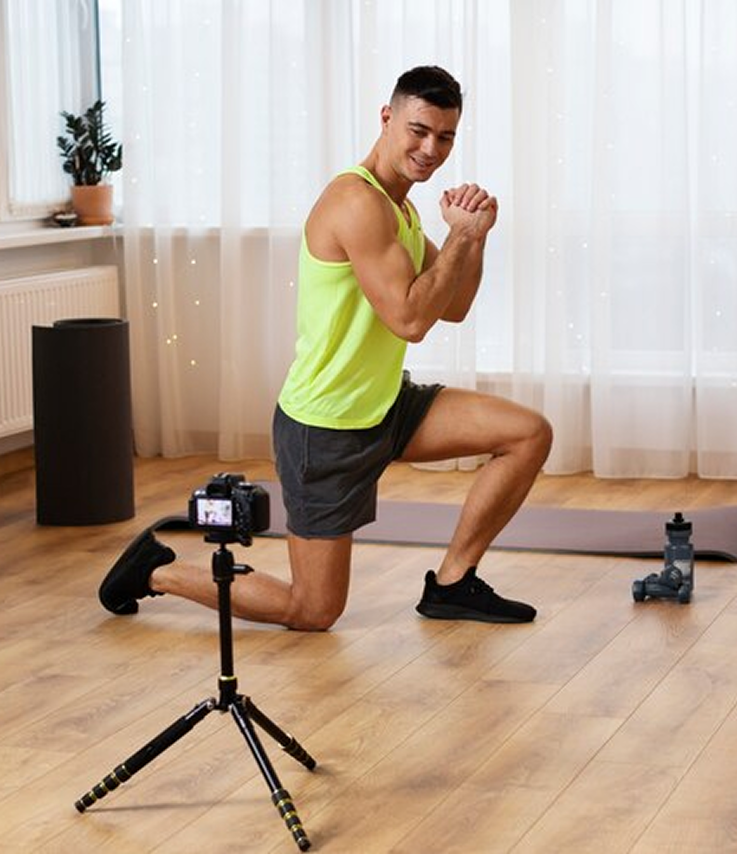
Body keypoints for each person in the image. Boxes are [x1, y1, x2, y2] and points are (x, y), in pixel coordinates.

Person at [100, 65, 552, 631]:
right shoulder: (356, 202)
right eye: (418, 130)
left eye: (445, 136)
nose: (430, 148)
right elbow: (411, 320)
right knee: (312, 610)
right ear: (386, 118)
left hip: (385, 404)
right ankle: (156, 570)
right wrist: (461, 236)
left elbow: (454, 304)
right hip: (327, 428)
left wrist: (475, 237)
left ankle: (454, 583)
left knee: (527, 433)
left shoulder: (401, 208)